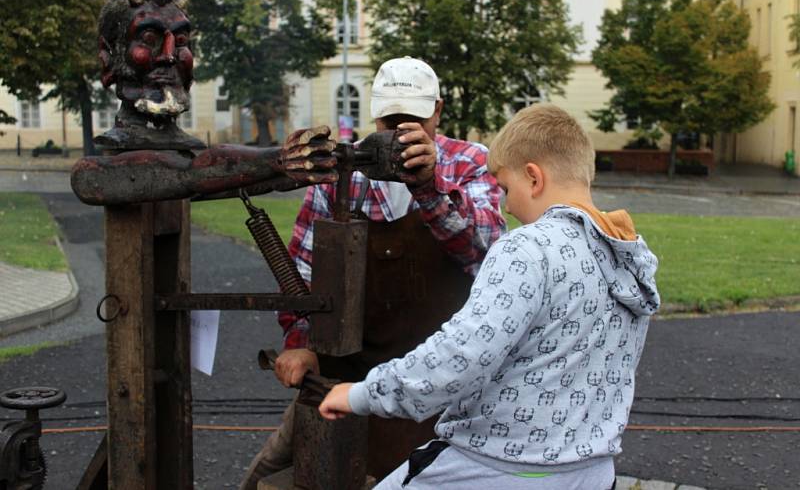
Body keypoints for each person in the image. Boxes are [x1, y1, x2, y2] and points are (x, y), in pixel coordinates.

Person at [319, 104, 661, 489]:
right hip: (592, 475)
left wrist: (364, 394)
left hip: (495, 469)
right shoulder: (629, 260)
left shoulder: (527, 249)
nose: (507, 206)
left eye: (505, 189)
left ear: (534, 178)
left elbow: (461, 356)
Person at [240, 57, 506, 489]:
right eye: (391, 119)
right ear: (374, 112)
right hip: (352, 372)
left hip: (443, 382)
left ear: (437, 110)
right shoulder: (346, 170)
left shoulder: (471, 162)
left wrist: (430, 186)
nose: (400, 132)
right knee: (263, 479)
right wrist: (301, 343)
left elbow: (487, 253)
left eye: (414, 119)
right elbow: (304, 270)